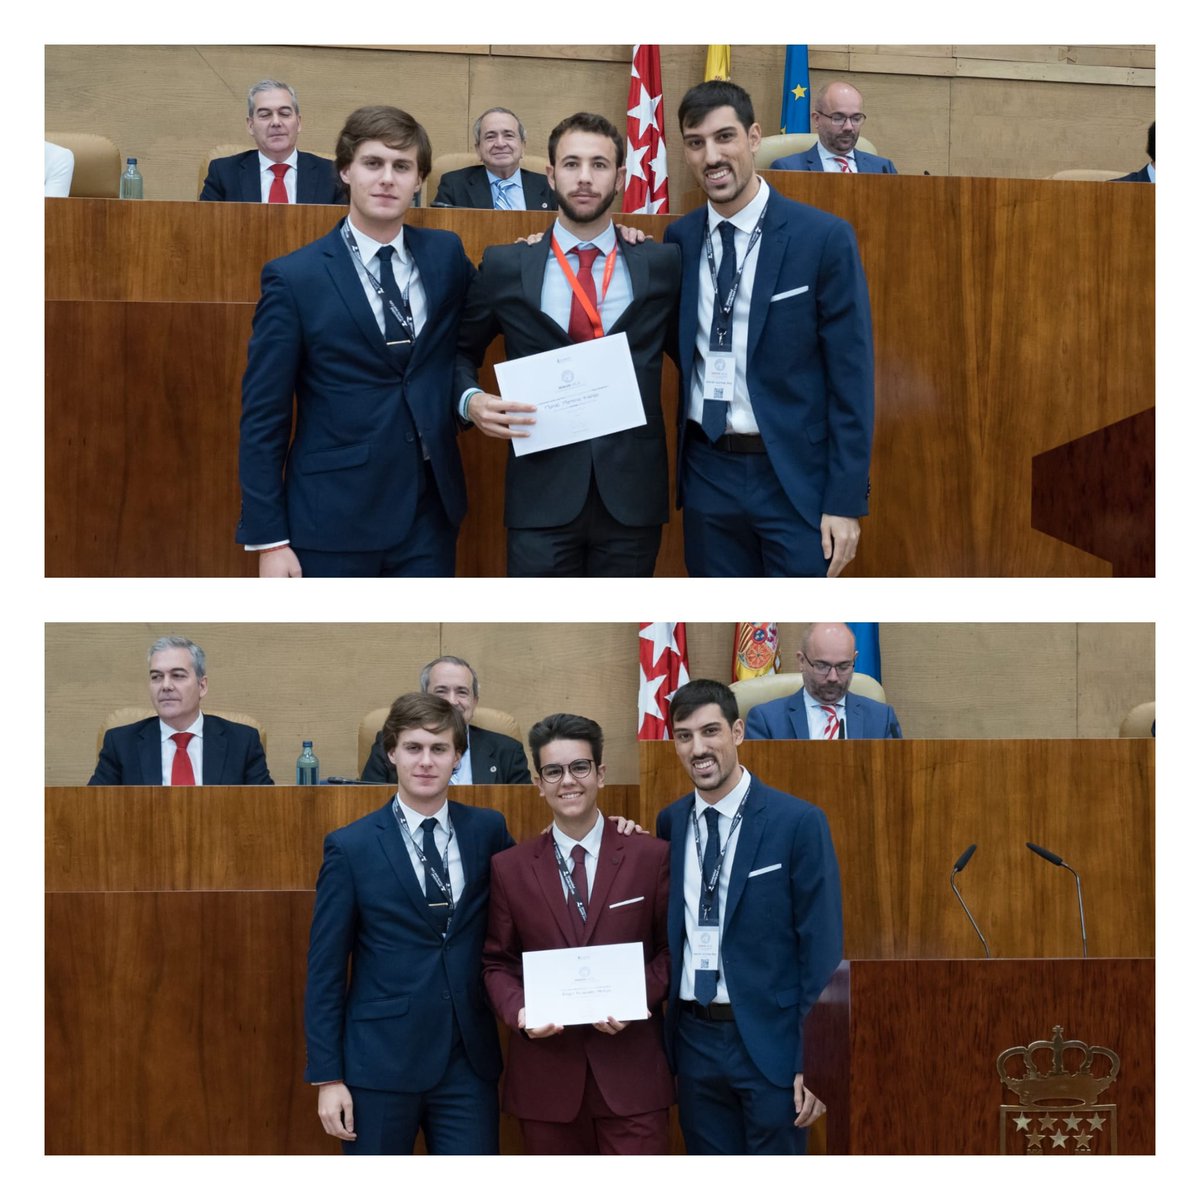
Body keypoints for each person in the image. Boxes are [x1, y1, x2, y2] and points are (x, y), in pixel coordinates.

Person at [237, 105, 475, 577]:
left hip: (429, 515)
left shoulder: (445, 256)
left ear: (419, 180)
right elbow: (264, 415)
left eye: (402, 166)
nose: (387, 178)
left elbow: (496, 306)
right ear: (346, 170)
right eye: (373, 163)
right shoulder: (295, 276)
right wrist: (270, 539)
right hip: (331, 520)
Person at [456, 111, 680, 576]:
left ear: (620, 178)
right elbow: (458, 352)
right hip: (541, 496)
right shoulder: (506, 265)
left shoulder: (660, 264)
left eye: (599, 165)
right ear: (551, 174)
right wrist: (470, 401)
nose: (584, 178)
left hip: (632, 497)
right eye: (572, 164)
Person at [665, 80, 875, 578]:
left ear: (755, 137)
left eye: (725, 137)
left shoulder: (823, 238)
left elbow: (852, 379)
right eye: (696, 142)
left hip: (793, 478)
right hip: (707, 472)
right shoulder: (678, 239)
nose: (711, 155)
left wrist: (845, 501)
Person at [304, 693, 513, 1154]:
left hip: (467, 1063)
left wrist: (608, 827)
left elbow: (532, 897)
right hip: (377, 1068)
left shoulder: (487, 830)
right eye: (414, 748)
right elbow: (325, 969)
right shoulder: (350, 846)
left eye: (439, 749)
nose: (425, 761)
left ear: (458, 758)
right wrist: (328, 1076)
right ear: (391, 752)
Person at [655, 679, 842, 1154]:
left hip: (772, 1047)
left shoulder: (797, 822)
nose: (698, 748)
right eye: (683, 735)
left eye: (710, 731)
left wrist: (813, 1059)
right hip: (694, 1042)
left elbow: (820, 949)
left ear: (738, 732)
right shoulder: (670, 824)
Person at [482, 713, 673, 1153]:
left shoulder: (650, 856)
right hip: (547, 1081)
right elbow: (497, 961)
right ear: (539, 782)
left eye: (579, 767)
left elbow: (668, 951)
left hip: (632, 1080)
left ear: (600, 774)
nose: (568, 781)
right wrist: (521, 1012)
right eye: (554, 771)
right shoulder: (510, 869)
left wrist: (635, 998)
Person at [88, 636, 273, 785]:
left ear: (202, 686)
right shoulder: (120, 744)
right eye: (156, 677)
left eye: (177, 675)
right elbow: (94, 809)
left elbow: (265, 811)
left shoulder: (242, 742)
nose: (166, 685)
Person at [360, 655, 531, 784]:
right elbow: (370, 807)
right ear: (424, 698)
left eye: (462, 692)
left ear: (474, 701)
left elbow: (522, 814)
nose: (451, 701)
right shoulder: (389, 743)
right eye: (441, 691)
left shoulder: (507, 751)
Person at [744, 622, 902, 739]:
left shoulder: (881, 718)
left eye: (843, 666)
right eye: (822, 666)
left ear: (854, 660)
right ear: (802, 661)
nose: (833, 677)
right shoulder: (766, 720)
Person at [199, 79, 342, 203]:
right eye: (265, 115)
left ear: (298, 123)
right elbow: (205, 228)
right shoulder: (223, 173)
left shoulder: (331, 175)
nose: (276, 122)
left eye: (284, 114)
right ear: (250, 125)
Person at [432, 107, 556, 211]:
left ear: (523, 146)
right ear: (478, 150)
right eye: (490, 137)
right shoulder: (454, 185)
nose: (500, 144)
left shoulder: (549, 186)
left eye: (508, 135)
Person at [770, 81, 898, 174]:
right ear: (817, 119)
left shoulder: (883, 169)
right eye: (838, 118)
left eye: (856, 118)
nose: (848, 127)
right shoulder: (788, 169)